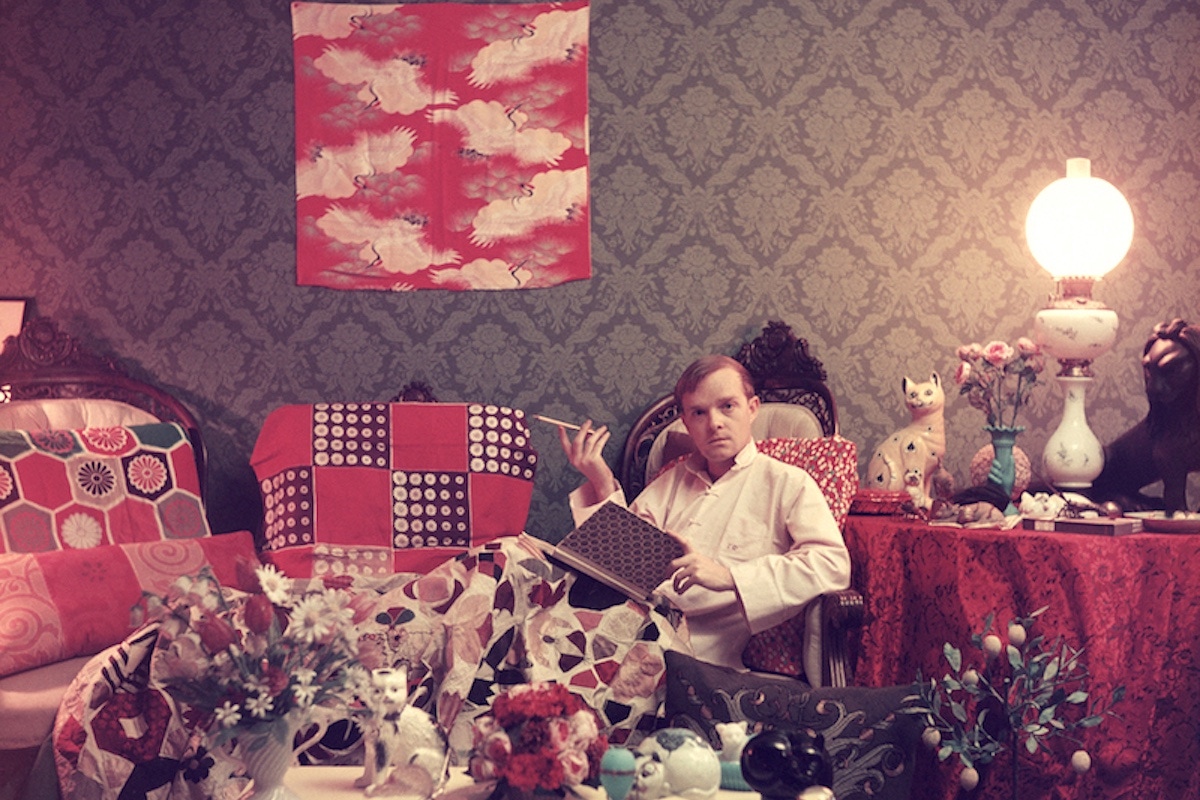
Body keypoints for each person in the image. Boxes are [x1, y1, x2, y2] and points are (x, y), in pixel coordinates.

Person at [557, 354, 851, 671]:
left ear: (752, 409)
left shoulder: (787, 483)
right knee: (512, 557)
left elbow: (832, 565)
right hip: (619, 628)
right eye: (699, 412)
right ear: (686, 422)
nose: (714, 423)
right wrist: (601, 483)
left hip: (687, 658)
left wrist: (729, 577)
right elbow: (615, 563)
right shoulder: (670, 481)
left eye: (727, 406)